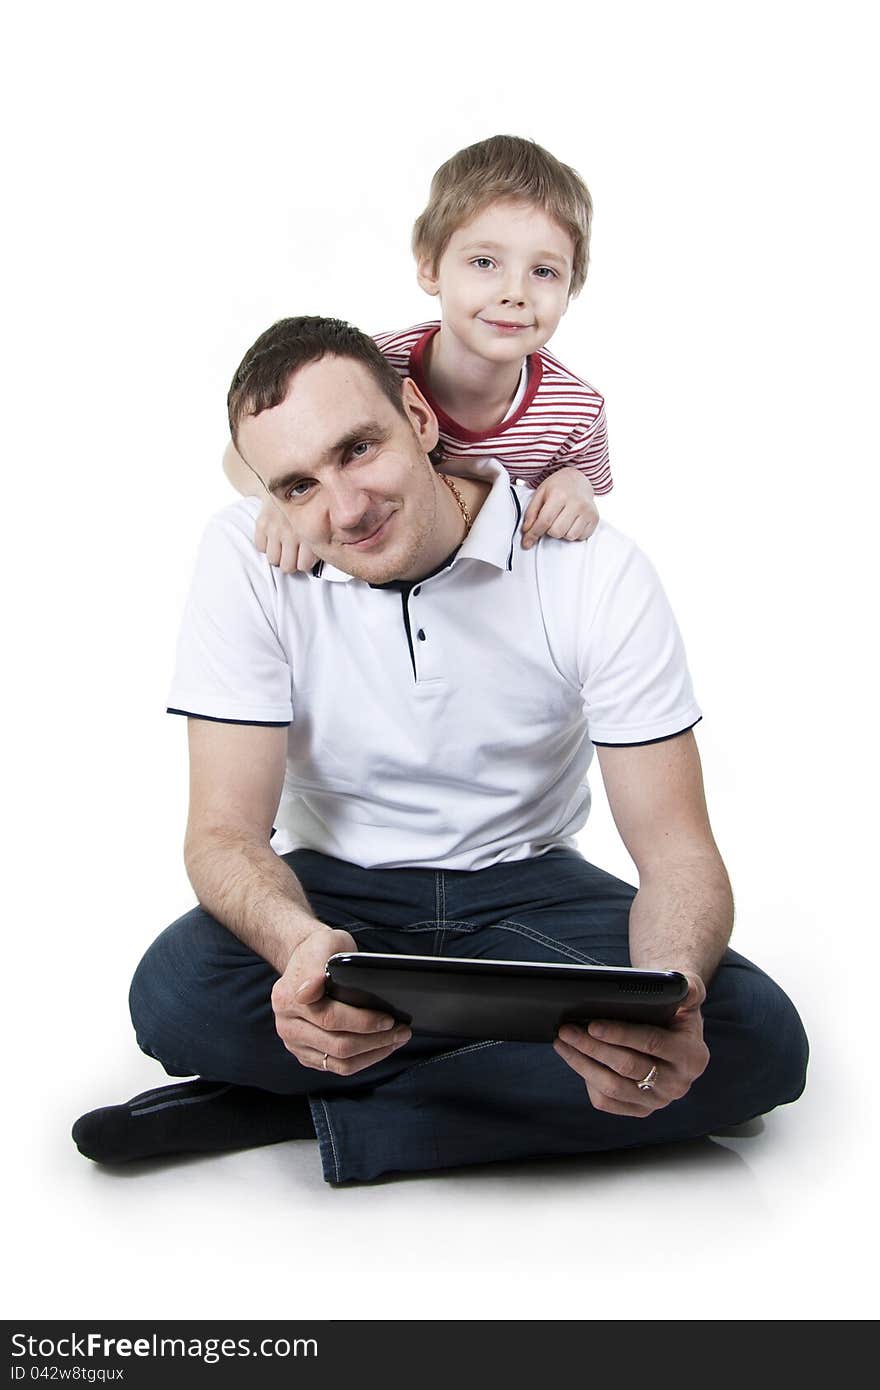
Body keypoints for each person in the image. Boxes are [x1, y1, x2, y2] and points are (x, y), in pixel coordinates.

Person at [72, 316, 808, 1184]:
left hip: (529, 887)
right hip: (339, 896)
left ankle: (297, 1106)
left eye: (359, 449)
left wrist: (671, 990)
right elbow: (224, 835)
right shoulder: (246, 557)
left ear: (419, 418)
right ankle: (497, 1088)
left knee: (751, 1036)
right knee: (174, 994)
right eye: (299, 486)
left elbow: (677, 849)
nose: (344, 510)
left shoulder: (588, 567)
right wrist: (300, 947)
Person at [223, 135, 611, 574]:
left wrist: (575, 485)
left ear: (570, 290)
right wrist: (277, 499)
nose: (514, 293)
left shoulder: (577, 411)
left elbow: (587, 498)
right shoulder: (371, 369)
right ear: (430, 267)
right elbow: (240, 456)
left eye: (544, 271)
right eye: (484, 262)